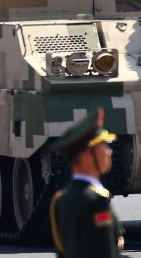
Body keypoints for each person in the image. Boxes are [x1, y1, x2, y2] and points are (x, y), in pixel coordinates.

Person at [49, 107, 124, 258]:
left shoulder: (61, 199)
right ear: (87, 155)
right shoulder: (95, 202)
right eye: (103, 146)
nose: (109, 151)